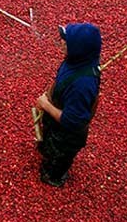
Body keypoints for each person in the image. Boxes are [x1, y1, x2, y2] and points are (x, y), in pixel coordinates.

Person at [35, 22, 103, 187]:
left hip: (67, 135)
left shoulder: (82, 85)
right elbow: (58, 80)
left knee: (56, 163)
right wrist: (48, 95)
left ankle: (54, 177)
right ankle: (47, 153)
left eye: (67, 41)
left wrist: (46, 105)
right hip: (56, 119)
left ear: (79, 48)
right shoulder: (73, 61)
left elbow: (72, 122)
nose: (62, 43)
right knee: (48, 145)